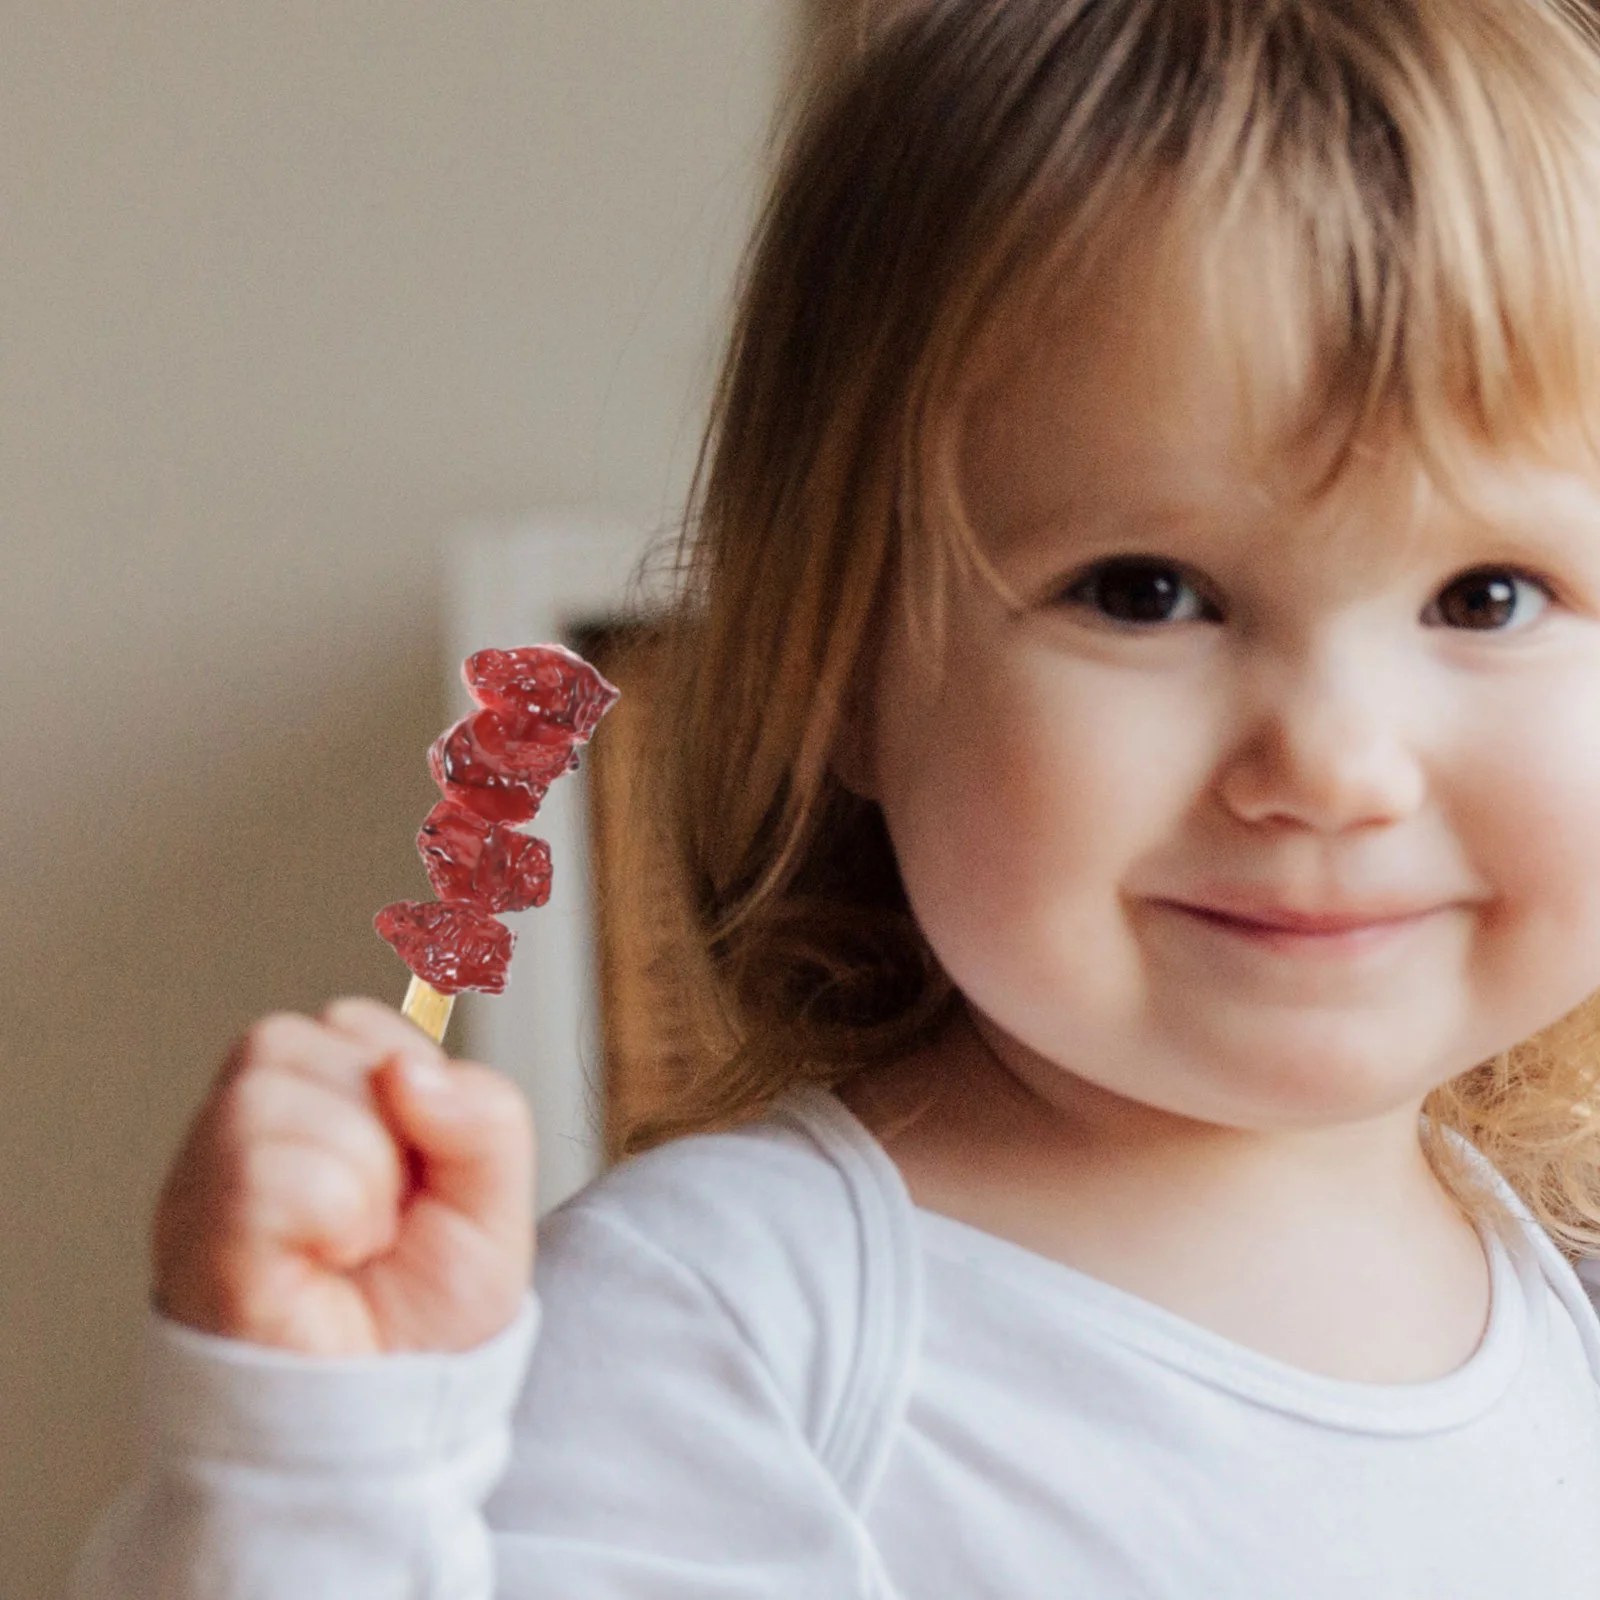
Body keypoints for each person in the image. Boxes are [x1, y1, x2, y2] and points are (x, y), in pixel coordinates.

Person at [74, 0, 1600, 1593]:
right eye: (1145, 592)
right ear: (846, 668)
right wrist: (307, 1478)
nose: (1337, 767)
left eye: (1489, 596)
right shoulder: (745, 1325)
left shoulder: (1548, 1300)